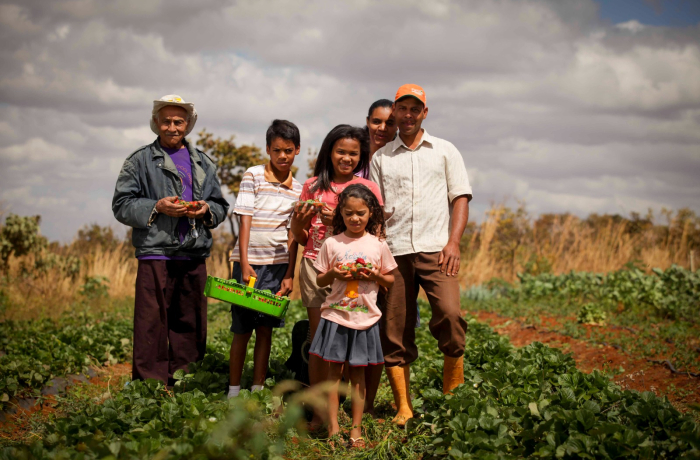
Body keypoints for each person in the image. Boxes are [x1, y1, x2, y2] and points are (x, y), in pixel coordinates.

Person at [370, 84, 473, 425]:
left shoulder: (445, 151)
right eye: (403, 108)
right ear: (395, 113)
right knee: (394, 328)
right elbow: (375, 209)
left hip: (436, 249)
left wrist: (453, 242)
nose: (409, 114)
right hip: (394, 252)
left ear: (424, 112)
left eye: (416, 108)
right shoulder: (381, 158)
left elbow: (460, 197)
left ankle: (451, 399)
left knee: (451, 314)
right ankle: (403, 407)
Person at [112, 94, 229, 385]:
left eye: (178, 121)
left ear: (188, 125)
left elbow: (220, 205)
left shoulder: (203, 162)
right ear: (156, 123)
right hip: (155, 251)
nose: (172, 127)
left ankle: (185, 381)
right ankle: (150, 385)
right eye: (166, 121)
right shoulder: (139, 160)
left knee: (190, 321)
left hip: (192, 252)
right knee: (151, 321)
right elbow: (122, 204)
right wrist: (157, 206)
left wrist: (204, 209)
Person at [290, 124, 383, 430]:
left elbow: (377, 231)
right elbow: (301, 237)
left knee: (352, 340)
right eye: (340, 151)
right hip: (317, 267)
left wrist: (337, 225)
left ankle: (348, 410)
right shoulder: (313, 186)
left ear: (361, 156)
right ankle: (320, 414)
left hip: (356, 274)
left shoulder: (368, 188)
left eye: (353, 153)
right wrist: (302, 223)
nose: (346, 158)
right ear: (329, 151)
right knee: (321, 342)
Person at [308, 184, 397, 448]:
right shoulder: (332, 242)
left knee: (358, 377)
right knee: (334, 374)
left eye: (360, 213)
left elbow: (390, 280)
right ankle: (334, 427)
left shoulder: (378, 245)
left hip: (365, 320)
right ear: (341, 214)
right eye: (348, 214)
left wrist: (376, 276)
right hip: (336, 317)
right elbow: (321, 277)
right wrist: (334, 274)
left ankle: (355, 429)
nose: (355, 219)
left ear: (371, 214)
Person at [227, 120, 302, 398]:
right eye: (277, 150)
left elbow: (293, 235)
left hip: (278, 266)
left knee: (265, 329)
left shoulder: (299, 189)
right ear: (268, 149)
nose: (283, 156)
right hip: (249, 265)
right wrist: (244, 263)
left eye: (288, 150)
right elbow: (245, 220)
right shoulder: (253, 175)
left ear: (297, 150)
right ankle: (234, 391)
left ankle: (257, 390)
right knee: (242, 329)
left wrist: (289, 273)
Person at [357, 99, 397, 179]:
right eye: (376, 122)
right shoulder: (353, 157)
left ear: (397, 126)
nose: (382, 128)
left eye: (389, 123)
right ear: (368, 122)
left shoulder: (402, 160)